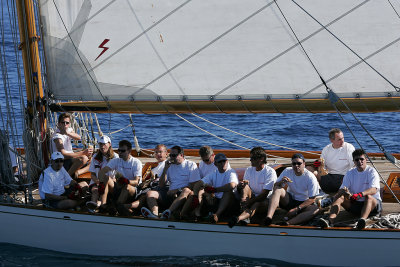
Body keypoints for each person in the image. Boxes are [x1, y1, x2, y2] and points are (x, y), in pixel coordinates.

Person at [318, 149, 382, 229]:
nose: (359, 161)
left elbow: (374, 190)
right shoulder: (350, 173)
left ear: (366, 160)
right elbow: (341, 189)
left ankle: (362, 221)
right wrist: (343, 193)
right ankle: (330, 221)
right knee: (340, 197)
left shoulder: (372, 172)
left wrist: (360, 194)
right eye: (357, 160)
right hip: (356, 204)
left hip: (373, 205)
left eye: (362, 159)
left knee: (368, 197)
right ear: (354, 161)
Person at [141, 145, 200, 219]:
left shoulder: (190, 165)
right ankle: (154, 214)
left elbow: (194, 185)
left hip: (182, 194)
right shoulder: (169, 165)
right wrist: (165, 169)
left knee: (186, 190)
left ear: (181, 155)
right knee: (150, 193)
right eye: (170, 155)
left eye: (174, 155)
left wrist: (177, 190)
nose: (171, 157)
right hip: (170, 194)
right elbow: (161, 184)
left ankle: (168, 212)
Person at [264, 153, 320, 226]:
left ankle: (288, 223)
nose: (296, 166)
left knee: (315, 210)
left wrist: (296, 209)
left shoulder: (310, 177)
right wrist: (281, 182)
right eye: (294, 164)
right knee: (278, 189)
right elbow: (275, 186)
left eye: (299, 163)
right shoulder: (287, 171)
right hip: (290, 200)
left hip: (303, 203)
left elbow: (312, 199)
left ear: (304, 164)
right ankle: (269, 217)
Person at [228, 147, 277, 228]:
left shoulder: (270, 172)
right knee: (245, 186)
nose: (250, 160)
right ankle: (244, 213)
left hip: (265, 201)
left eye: (253, 158)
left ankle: (239, 218)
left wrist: (250, 202)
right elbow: (244, 188)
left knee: (257, 203)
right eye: (250, 158)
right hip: (252, 198)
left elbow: (264, 195)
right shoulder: (249, 170)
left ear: (261, 159)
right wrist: (240, 186)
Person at [119, 144, 168, 215]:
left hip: (159, 187)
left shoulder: (168, 164)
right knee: (140, 194)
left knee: (144, 196)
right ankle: (126, 207)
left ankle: (126, 206)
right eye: (156, 152)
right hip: (150, 187)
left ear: (166, 154)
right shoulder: (154, 167)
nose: (158, 154)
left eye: (160, 152)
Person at [189, 153, 238, 223]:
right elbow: (198, 184)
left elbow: (232, 185)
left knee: (228, 192)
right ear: (215, 164)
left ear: (227, 161)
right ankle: (197, 215)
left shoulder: (231, 172)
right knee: (200, 192)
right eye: (220, 162)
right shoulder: (214, 173)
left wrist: (215, 190)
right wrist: (196, 197)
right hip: (217, 200)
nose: (222, 163)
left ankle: (216, 215)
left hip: (231, 203)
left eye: (224, 161)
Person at [97, 140, 142, 212]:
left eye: (123, 151)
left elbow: (137, 182)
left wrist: (127, 181)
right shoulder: (116, 161)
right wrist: (101, 183)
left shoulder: (136, 162)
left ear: (129, 151)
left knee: (126, 186)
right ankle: (103, 205)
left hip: (132, 190)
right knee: (106, 177)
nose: (120, 153)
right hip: (119, 187)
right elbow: (102, 172)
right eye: (119, 150)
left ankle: (117, 206)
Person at [51, 113, 93, 177]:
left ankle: (78, 172)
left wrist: (67, 133)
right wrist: (83, 153)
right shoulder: (57, 137)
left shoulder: (68, 130)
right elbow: (63, 154)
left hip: (70, 159)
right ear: (59, 124)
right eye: (63, 122)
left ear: (69, 124)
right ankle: (67, 178)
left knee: (93, 160)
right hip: (61, 162)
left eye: (67, 123)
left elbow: (78, 137)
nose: (65, 125)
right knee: (83, 158)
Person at [85, 135, 118, 212]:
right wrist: (96, 181)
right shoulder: (95, 157)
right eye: (100, 144)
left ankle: (99, 204)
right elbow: (92, 174)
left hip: (111, 183)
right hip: (97, 183)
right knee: (95, 190)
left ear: (109, 144)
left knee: (105, 180)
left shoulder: (116, 157)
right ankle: (93, 205)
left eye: (104, 144)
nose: (102, 147)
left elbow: (118, 176)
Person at [319, 128, 355, 194]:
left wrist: (346, 178)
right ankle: (319, 193)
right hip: (329, 176)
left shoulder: (349, 148)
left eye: (343, 138)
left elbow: (354, 166)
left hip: (343, 177)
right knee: (314, 173)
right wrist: (319, 165)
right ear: (332, 140)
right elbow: (322, 166)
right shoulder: (326, 149)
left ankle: (338, 195)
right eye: (339, 139)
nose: (342, 141)